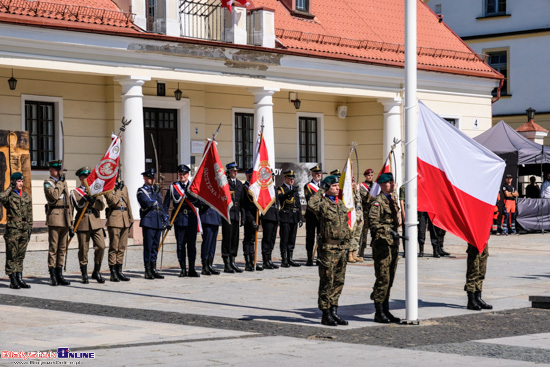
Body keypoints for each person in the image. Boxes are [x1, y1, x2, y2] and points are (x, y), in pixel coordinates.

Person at [308, 175, 352, 326]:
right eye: (333, 186)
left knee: (339, 281)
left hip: (341, 247)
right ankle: (325, 313)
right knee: (327, 280)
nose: (337, 188)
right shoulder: (322, 203)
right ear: (327, 187)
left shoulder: (340, 204)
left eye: (336, 186)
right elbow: (311, 204)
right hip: (328, 248)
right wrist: (322, 190)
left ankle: (334, 311)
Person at [368, 172, 401, 324]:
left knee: (390, 278)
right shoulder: (378, 202)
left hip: (392, 244)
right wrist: (388, 230)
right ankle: (379, 311)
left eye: (393, 182)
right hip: (382, 245)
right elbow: (373, 223)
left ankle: (386, 309)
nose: (392, 185)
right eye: (389, 183)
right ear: (381, 185)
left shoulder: (391, 200)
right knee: (383, 277)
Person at [163, 164, 200, 277]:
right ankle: (183, 269)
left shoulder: (193, 187)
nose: (182, 176)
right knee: (180, 246)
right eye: (180, 174)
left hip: (191, 220)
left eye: (184, 174)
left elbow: (200, 203)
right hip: (179, 219)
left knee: (192, 246)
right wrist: (166, 221)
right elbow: (165, 205)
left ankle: (192, 269)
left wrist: (191, 198)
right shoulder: (173, 187)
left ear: (188, 175)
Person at [71, 167, 107, 284]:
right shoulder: (75, 192)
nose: (87, 179)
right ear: (80, 178)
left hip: (96, 222)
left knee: (101, 246)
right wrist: (87, 200)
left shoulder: (96, 190)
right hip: (82, 223)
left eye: (89, 177)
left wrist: (93, 202)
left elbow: (101, 206)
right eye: (85, 177)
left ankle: (96, 271)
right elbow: (77, 206)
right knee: (83, 249)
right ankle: (84, 274)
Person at [0, 172, 32, 289]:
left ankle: (19, 278)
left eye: (22, 181)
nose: (21, 184)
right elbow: (1, 197)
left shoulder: (26, 196)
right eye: (18, 181)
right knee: (11, 254)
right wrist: (10, 187)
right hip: (13, 229)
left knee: (20, 255)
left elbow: (29, 213)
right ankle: (12, 279)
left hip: (24, 228)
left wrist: (30, 227)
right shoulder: (9, 196)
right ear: (13, 182)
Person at [43, 160, 72, 286]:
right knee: (53, 248)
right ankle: (53, 275)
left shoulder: (63, 183)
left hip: (65, 219)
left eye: (60, 170)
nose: (59, 172)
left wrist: (71, 222)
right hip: (55, 218)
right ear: (51, 170)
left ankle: (60, 274)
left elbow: (68, 203)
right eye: (57, 170)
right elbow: (54, 196)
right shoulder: (47, 183)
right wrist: (60, 183)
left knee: (62, 248)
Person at [137, 168, 168, 279]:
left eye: (153, 178)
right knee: (148, 247)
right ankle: (147, 270)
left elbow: (161, 206)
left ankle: (154, 269)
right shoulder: (141, 191)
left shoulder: (156, 190)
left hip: (158, 221)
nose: (152, 180)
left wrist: (166, 219)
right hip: (149, 221)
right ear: (145, 178)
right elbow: (147, 203)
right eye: (150, 178)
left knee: (155, 246)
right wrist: (155, 193)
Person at [105, 175, 134, 282]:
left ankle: (119, 271)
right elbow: (113, 201)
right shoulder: (108, 187)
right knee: (114, 247)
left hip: (124, 218)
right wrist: (118, 190)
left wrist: (131, 218)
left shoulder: (124, 186)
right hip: (114, 219)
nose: (117, 176)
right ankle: (113, 272)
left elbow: (128, 202)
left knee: (122, 247)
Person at [221, 162, 244, 273]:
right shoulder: (225, 184)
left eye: (236, 171)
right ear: (229, 172)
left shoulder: (239, 184)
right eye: (233, 171)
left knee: (235, 239)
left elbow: (242, 202)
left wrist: (242, 217)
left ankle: (233, 261)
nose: (235, 173)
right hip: (227, 214)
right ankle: (226, 263)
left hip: (236, 214)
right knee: (227, 239)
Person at [278, 169, 303, 267]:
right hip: (285, 216)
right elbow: (281, 198)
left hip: (294, 216)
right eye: (290, 178)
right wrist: (290, 192)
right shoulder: (281, 188)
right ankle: (284, 259)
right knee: (284, 238)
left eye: (293, 178)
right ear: (285, 178)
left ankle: (290, 258)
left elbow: (298, 204)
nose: (292, 180)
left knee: (292, 238)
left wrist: (300, 217)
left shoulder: (294, 189)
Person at [242, 168, 262, 271]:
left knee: (253, 240)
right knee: (247, 240)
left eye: (252, 176)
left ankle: (253, 261)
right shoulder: (244, 188)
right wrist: (252, 221)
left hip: (256, 216)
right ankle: (248, 262)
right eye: (249, 175)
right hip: (248, 217)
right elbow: (245, 206)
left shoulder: (256, 188)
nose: (250, 177)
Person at [303, 165, 323, 266]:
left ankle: (319, 257)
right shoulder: (308, 186)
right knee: (310, 237)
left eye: (320, 173)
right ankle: (309, 258)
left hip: (321, 216)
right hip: (311, 215)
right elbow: (310, 200)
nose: (318, 175)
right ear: (312, 174)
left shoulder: (324, 185)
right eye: (316, 173)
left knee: (320, 237)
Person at [260, 171, 279, 270]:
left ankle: (269, 259)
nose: (272, 178)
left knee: (272, 239)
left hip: (275, 216)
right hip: (267, 216)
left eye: (273, 176)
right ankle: (265, 260)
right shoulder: (264, 188)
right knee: (267, 239)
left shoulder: (274, 188)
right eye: (271, 176)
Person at [465, 243, 492, 311]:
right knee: (473, 272)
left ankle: (478, 298)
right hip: (474, 242)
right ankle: (471, 300)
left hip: (484, 241)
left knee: (481, 272)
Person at [199, 205, 221, 276]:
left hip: (216, 217)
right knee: (207, 243)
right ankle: (205, 266)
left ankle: (210, 265)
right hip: (207, 217)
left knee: (212, 244)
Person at [358, 168, 374, 258]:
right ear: (365, 176)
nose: (370, 177)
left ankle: (374, 250)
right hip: (365, 212)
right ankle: (361, 251)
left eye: (371, 175)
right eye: (368, 175)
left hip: (374, 213)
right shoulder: (362, 186)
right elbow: (365, 199)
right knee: (363, 233)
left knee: (374, 233)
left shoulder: (375, 185)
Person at [348, 177, 364, 263]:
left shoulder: (356, 192)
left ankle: (355, 253)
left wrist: (362, 218)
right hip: (353, 218)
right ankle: (350, 254)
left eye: (354, 182)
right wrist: (357, 191)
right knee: (352, 236)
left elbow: (360, 205)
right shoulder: (348, 194)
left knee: (357, 236)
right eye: (351, 182)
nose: (353, 184)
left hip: (359, 217)